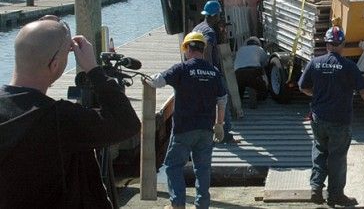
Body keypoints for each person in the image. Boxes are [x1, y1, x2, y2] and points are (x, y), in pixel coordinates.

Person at [0, 15, 140, 208]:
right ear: (55, 65)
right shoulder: (59, 119)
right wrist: (93, 69)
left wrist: (45, 32)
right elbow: (127, 123)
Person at [298, 26, 364, 207]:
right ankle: (335, 195)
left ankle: (315, 188)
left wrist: (316, 95)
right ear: (343, 44)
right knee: (337, 157)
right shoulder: (349, 67)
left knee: (320, 151)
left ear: (327, 43)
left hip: (318, 118)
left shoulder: (314, 63)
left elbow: (302, 87)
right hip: (340, 120)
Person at [147, 32, 227, 209]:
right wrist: (219, 124)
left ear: (187, 49)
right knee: (203, 169)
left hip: (184, 129)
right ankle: (202, 205)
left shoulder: (181, 69)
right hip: (206, 129)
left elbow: (158, 81)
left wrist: (149, 78)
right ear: (203, 49)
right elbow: (222, 99)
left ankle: (178, 204)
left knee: (173, 166)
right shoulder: (213, 72)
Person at [194, 0, 235, 143]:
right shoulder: (210, 32)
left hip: (195, 71)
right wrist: (211, 75)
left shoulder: (198, 27)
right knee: (224, 99)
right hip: (209, 72)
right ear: (216, 15)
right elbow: (207, 54)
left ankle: (207, 131)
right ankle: (226, 133)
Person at [234, 36, 269, 109]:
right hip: (253, 73)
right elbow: (265, 63)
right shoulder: (259, 49)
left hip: (238, 73)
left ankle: (239, 99)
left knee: (240, 86)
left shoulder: (240, 49)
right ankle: (258, 97)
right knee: (262, 89)